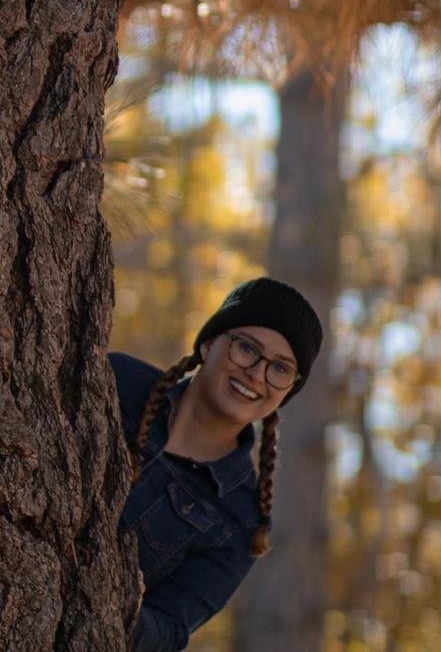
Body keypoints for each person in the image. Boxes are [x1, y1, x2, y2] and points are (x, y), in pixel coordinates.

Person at [111, 277, 323, 652]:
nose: (256, 374)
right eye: (247, 348)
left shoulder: (241, 522)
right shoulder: (119, 381)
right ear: (209, 343)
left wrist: (105, 602)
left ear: (288, 390)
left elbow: (170, 627)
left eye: (280, 368)